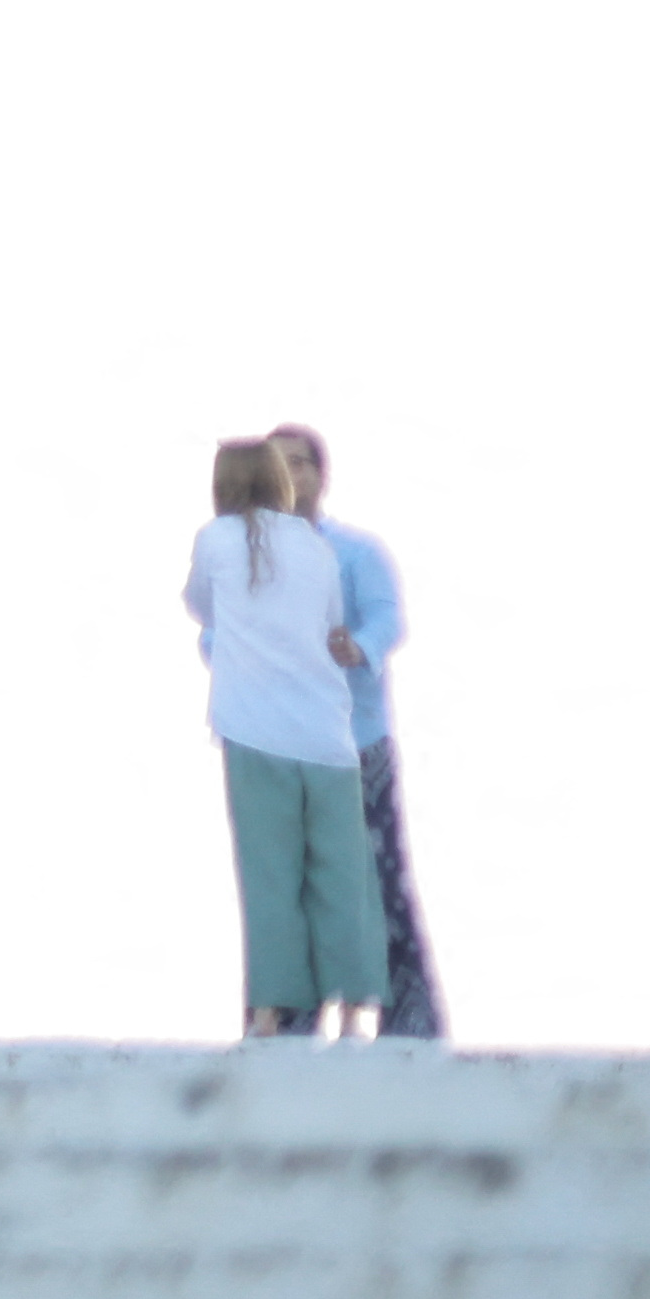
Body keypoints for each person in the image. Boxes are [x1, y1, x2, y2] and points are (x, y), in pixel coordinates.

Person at [190, 436, 381, 1039]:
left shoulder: (213, 541)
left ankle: (270, 1014)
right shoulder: (318, 550)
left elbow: (199, 606)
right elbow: (328, 622)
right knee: (341, 875)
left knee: (271, 875)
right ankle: (354, 1010)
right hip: (326, 732)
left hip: (254, 730)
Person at [270, 423, 444, 1042]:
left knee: (375, 880)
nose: (291, 475)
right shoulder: (247, 561)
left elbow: (387, 618)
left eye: (301, 464)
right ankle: (287, 1022)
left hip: (355, 745)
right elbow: (215, 630)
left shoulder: (356, 554)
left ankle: (410, 1021)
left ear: (322, 476)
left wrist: (356, 648)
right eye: (278, 465)